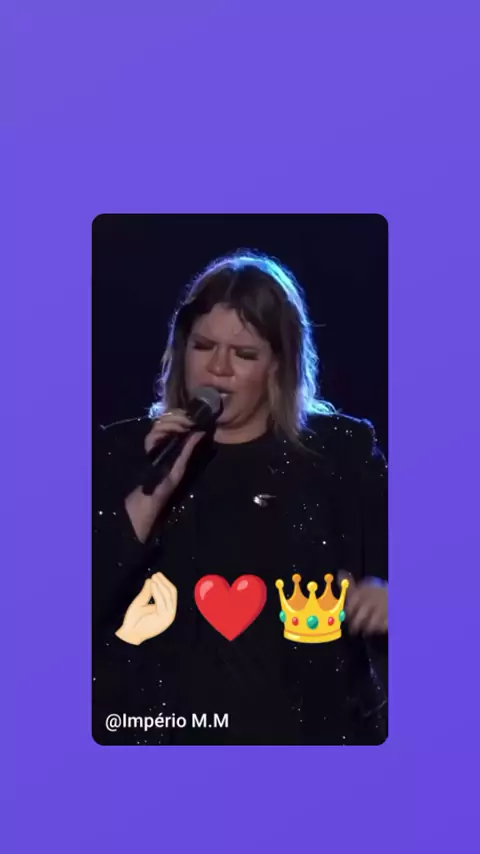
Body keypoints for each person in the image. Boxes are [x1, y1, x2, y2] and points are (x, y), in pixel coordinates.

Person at [92, 250, 388, 746]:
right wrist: (150, 492)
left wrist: (388, 595)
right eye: (203, 346)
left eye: (244, 354)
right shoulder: (121, 453)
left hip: (309, 745)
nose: (218, 369)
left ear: (278, 365)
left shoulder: (341, 455)